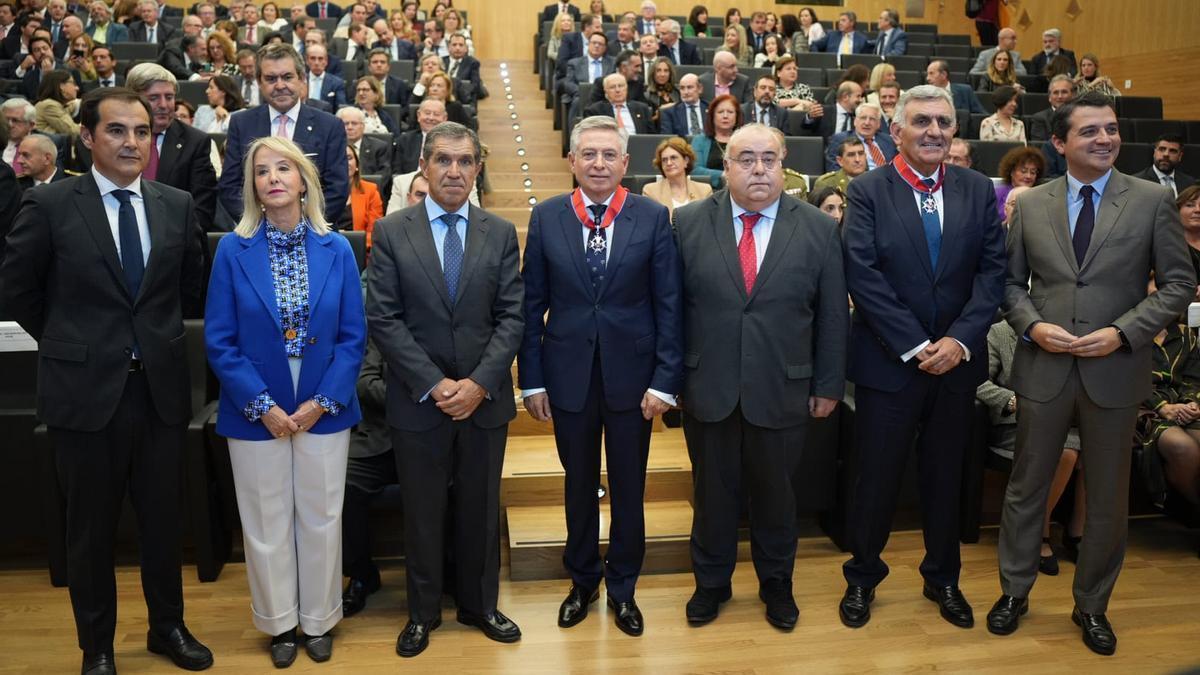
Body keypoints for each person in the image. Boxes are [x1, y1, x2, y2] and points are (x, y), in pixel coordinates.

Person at [1, 86, 211, 675]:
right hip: (84, 394)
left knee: (164, 522)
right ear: (87, 138)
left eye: (142, 131)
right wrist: (74, 343)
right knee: (89, 531)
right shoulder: (50, 205)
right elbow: (18, 290)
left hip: (161, 391)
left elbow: (186, 289)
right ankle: (96, 646)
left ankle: (167, 627)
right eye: (117, 131)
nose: (132, 142)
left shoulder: (176, 203)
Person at [989, 90, 1196, 655]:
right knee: (1028, 488)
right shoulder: (1031, 205)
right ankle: (1014, 590)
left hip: (1116, 371)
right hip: (1043, 368)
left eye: (1110, 129)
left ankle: (1093, 605)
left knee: (1106, 498)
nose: (1105, 139)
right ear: (1059, 143)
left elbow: (1178, 284)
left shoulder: (1153, 200)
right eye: (1090, 131)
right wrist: (1031, 327)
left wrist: (1124, 332)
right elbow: (1009, 285)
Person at [840, 85, 1007, 630]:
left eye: (943, 121)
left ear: (955, 130)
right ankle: (863, 576)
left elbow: (991, 274)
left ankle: (943, 578)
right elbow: (862, 274)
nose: (934, 130)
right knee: (877, 478)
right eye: (921, 121)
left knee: (945, 476)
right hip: (889, 364)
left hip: (957, 366)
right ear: (897, 132)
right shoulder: (867, 190)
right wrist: (915, 345)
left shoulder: (979, 189)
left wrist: (958, 342)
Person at [675, 122, 848, 630]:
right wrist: (673, 380)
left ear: (784, 164)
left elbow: (833, 315)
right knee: (712, 494)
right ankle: (711, 583)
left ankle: (777, 585)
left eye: (767, 159)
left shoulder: (818, 227)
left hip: (785, 389)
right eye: (744, 158)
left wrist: (828, 385)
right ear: (724, 166)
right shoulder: (686, 224)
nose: (757, 168)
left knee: (777, 497)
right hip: (708, 387)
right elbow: (673, 311)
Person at [519, 115, 682, 637]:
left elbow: (670, 305)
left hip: (634, 380)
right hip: (567, 376)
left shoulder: (653, 217)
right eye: (588, 154)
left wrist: (664, 381)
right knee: (579, 483)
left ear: (626, 164)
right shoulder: (547, 218)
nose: (598, 163)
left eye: (609, 155)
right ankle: (583, 580)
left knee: (630, 486)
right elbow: (530, 306)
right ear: (572, 160)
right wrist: (533, 380)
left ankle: (624, 587)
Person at [366, 121, 524, 658]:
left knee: (480, 509)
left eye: (464, 162)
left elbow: (512, 317)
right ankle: (423, 612)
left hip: (485, 401)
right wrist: (436, 385)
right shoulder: (392, 231)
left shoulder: (499, 232)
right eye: (443, 160)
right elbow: (384, 319)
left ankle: (480, 605)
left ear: (477, 169)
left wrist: (479, 384)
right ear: (424, 167)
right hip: (418, 401)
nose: (453, 170)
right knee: (423, 510)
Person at [205, 135, 364, 668]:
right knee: (266, 520)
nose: (272, 178)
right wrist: (263, 405)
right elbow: (220, 341)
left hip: (324, 404)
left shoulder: (337, 247)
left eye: (283, 169)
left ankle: (319, 621)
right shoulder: (232, 248)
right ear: (251, 185)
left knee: (321, 516)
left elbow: (352, 339)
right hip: (256, 406)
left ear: (303, 180)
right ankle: (280, 625)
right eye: (261, 171)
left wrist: (321, 401)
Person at [978, 318, 1087, 576]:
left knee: (1096, 450)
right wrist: (1013, 401)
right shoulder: (1000, 332)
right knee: (1067, 451)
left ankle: (1077, 532)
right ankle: (1037, 532)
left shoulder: (1067, 330)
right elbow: (978, 382)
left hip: (1066, 420)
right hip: (1017, 423)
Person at [219, 43, 349, 225]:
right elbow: (230, 187)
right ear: (259, 82)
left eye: (287, 77)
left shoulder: (330, 125)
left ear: (302, 79)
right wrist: (262, 225)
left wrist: (300, 225)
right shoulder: (241, 124)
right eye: (271, 79)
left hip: (315, 233)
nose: (280, 85)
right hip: (256, 234)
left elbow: (338, 189)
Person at [122, 63, 219, 231]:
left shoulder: (195, 142)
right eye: (153, 98)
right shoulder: (114, 138)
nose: (164, 105)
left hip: (174, 240)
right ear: (133, 100)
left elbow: (202, 212)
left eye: (169, 97)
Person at [643, 135, 712, 217]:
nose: (669, 163)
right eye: (664, 160)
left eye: (673, 158)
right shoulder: (650, 191)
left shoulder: (704, 191)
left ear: (686, 161)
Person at [824, 102, 894, 172]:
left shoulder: (888, 140)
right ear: (855, 121)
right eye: (863, 118)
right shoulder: (839, 140)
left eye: (872, 119)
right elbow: (834, 169)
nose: (867, 123)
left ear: (878, 124)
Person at [690, 93, 741, 187]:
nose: (725, 116)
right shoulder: (700, 141)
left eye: (730, 112)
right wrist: (723, 175)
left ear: (736, 116)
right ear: (712, 116)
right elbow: (695, 170)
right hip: (709, 191)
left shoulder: (744, 140)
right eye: (720, 112)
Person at [585, 72, 655, 134]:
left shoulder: (642, 109)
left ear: (626, 88)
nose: (617, 90)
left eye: (621, 86)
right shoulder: (595, 111)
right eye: (612, 87)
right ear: (606, 91)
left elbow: (652, 136)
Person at [393, 98, 447, 174]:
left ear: (444, 118)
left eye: (436, 114)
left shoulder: (452, 142)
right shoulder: (404, 140)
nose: (431, 118)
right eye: (427, 113)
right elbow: (397, 172)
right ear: (418, 115)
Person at [344, 144, 382, 244]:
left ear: (356, 164)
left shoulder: (371, 191)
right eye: (339, 158)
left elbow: (374, 232)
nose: (345, 163)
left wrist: (357, 244)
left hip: (360, 251)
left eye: (349, 158)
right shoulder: (320, 192)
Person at [338, 106, 390, 177]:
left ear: (363, 126)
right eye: (345, 124)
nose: (350, 127)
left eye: (354, 123)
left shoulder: (379, 147)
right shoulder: (332, 147)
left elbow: (384, 174)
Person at [995, 146, 1044, 217]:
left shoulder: (1041, 196)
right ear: (1011, 172)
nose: (1028, 176)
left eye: (1033, 172)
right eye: (1023, 171)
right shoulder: (997, 194)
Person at [34, 69, 81, 139]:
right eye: (73, 83)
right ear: (61, 86)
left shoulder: (56, 105)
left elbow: (70, 107)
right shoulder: (49, 105)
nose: (77, 88)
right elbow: (74, 132)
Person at [659, 72, 707, 137]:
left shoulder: (711, 109)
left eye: (689, 87)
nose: (686, 92)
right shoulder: (670, 113)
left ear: (700, 89)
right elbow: (667, 139)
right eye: (682, 88)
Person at [1028, 75, 1074, 142]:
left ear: (1073, 95)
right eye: (1056, 92)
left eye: (1064, 92)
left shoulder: (1082, 117)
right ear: (1049, 97)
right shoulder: (1039, 119)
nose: (1060, 96)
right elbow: (1040, 147)